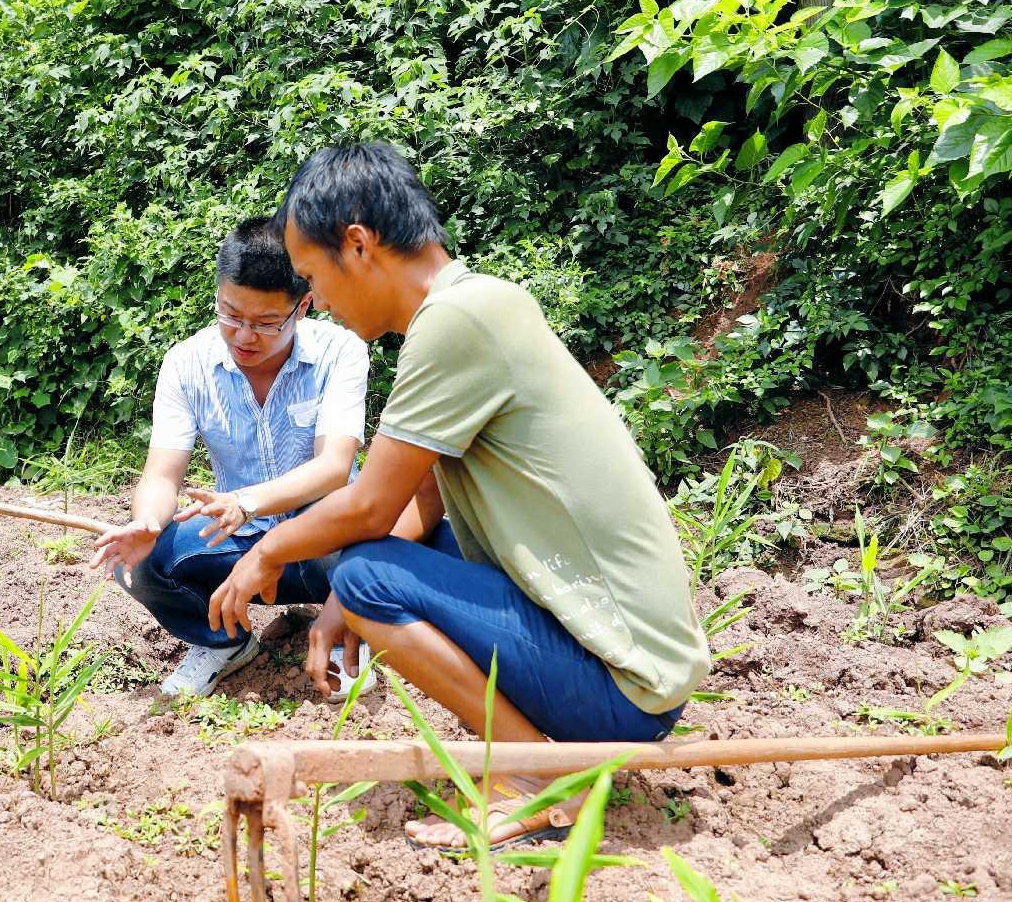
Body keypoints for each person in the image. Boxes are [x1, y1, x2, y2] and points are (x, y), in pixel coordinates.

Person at [207, 144, 711, 848]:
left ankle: (534, 775)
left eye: (313, 276)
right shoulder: (478, 306)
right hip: (632, 671)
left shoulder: (456, 324)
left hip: (620, 685)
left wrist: (269, 550)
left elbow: (369, 508)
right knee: (362, 576)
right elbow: (427, 506)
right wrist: (335, 609)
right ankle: (534, 758)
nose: (314, 300)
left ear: (358, 245)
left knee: (364, 570)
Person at [92, 216, 371, 698]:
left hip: (324, 539)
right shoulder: (187, 362)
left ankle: (349, 629)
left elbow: (333, 468)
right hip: (239, 544)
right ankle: (223, 642)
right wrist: (148, 524)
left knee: (367, 545)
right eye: (230, 315)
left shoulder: (340, 353)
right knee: (138, 562)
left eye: (265, 323)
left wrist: (246, 500)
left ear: (303, 305)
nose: (244, 336)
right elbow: (162, 474)